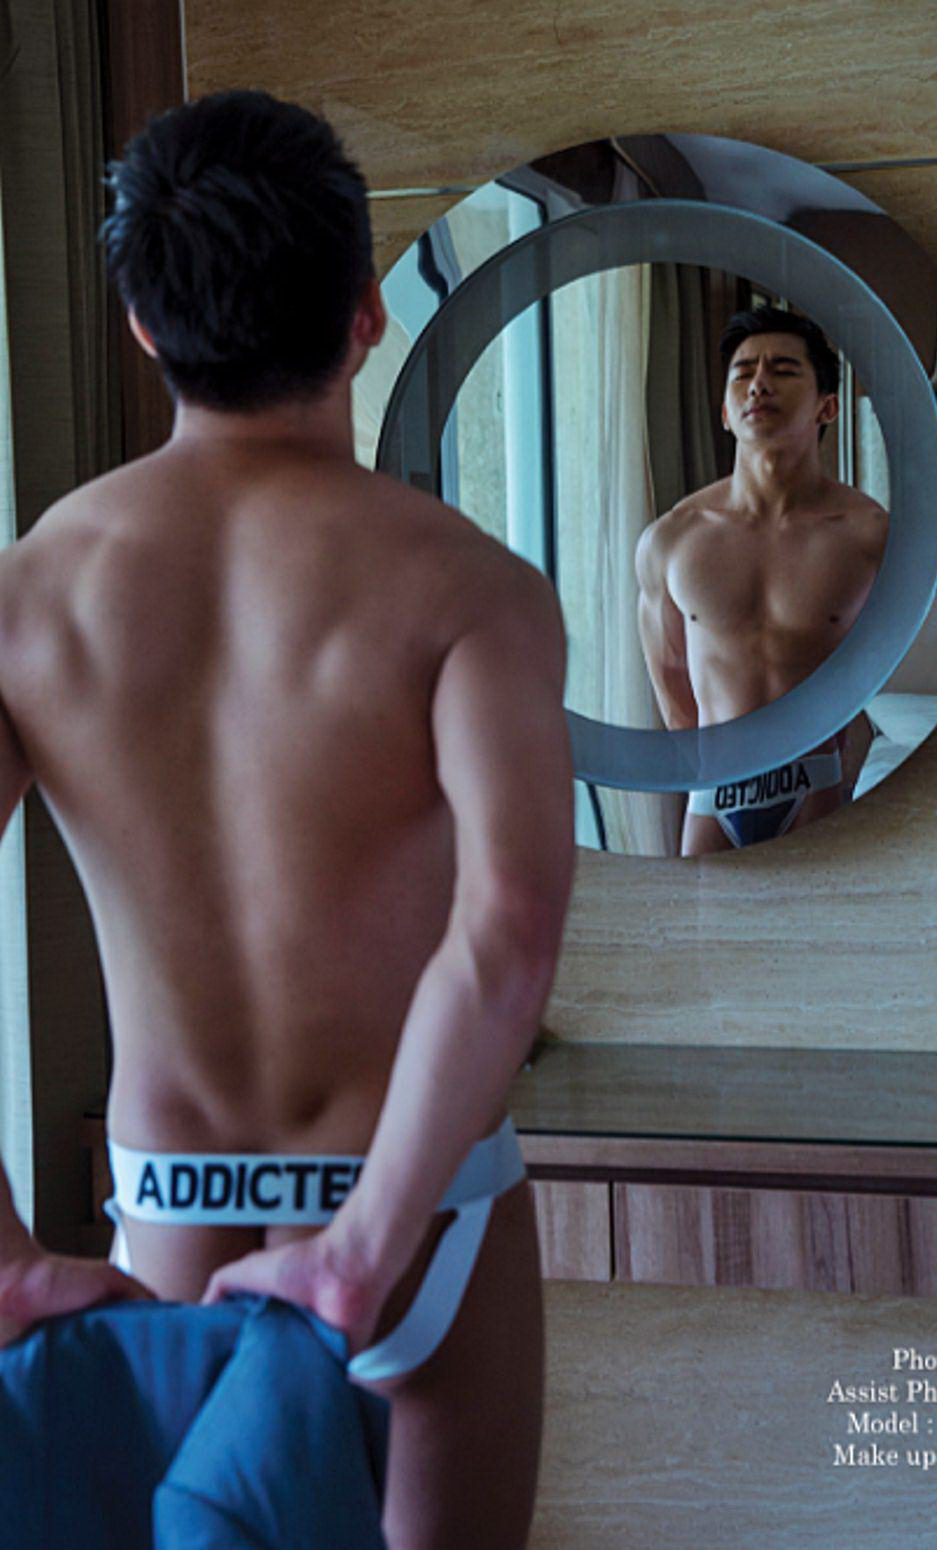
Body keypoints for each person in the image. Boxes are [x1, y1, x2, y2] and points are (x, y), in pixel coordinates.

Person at [0, 89, 573, 1547]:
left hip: (173, 1205)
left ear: (143, 326)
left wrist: (3, 1254)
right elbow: (507, 931)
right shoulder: (472, 587)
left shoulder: (31, 595)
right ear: (365, 313)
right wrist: (361, 1250)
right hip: (421, 1203)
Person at [636, 306, 888, 855]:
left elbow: (893, 678)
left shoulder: (870, 536)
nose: (758, 385)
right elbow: (672, 681)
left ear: (827, 406)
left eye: (783, 370)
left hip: (819, 786)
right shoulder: (672, 539)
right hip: (715, 798)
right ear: (725, 413)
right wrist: (711, 774)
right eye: (743, 373)